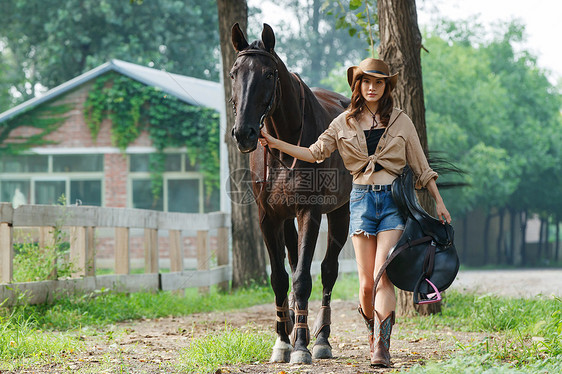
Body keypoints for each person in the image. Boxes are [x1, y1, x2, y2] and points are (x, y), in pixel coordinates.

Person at [259, 57, 451, 367]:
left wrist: (438, 202)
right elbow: (314, 153)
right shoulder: (343, 122)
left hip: (391, 203)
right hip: (360, 200)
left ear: (386, 87)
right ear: (358, 86)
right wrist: (273, 141)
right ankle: (372, 331)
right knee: (365, 285)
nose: (372, 87)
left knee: (381, 276)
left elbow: (421, 166)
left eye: (379, 82)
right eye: (366, 82)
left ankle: (381, 348)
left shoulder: (401, 120)